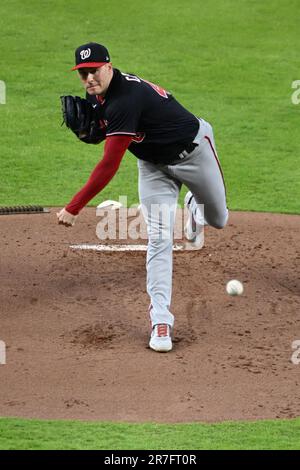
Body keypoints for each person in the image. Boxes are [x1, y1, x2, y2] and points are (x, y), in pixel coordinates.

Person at [57, 42, 228, 353]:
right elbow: (103, 130)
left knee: (219, 219)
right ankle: (160, 319)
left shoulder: (126, 99)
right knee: (160, 237)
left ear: (108, 66)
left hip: (194, 153)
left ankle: (193, 205)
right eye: (82, 74)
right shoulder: (95, 94)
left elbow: (109, 164)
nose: (88, 79)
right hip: (153, 166)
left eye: (93, 71)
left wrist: (74, 207)